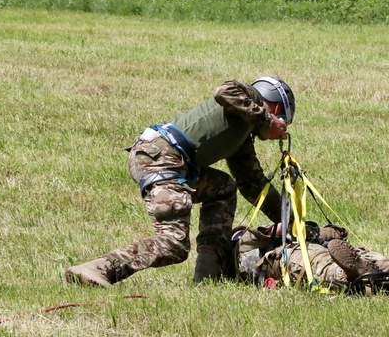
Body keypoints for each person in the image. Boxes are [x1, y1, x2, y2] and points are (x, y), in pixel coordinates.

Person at [66, 77, 295, 287]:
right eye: (283, 119)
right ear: (275, 107)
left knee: (223, 188)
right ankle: (97, 269)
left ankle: (208, 276)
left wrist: (293, 223)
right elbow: (224, 91)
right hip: (161, 158)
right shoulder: (250, 97)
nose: (282, 130)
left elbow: (254, 186)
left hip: (170, 161)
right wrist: (267, 120)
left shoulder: (242, 141)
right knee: (173, 245)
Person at [233, 223, 389, 291]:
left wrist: (319, 231)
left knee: (368, 261)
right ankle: (352, 273)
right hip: (290, 257)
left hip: (316, 248)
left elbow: (336, 234)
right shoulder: (243, 251)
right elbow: (266, 234)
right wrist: (290, 227)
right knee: (321, 267)